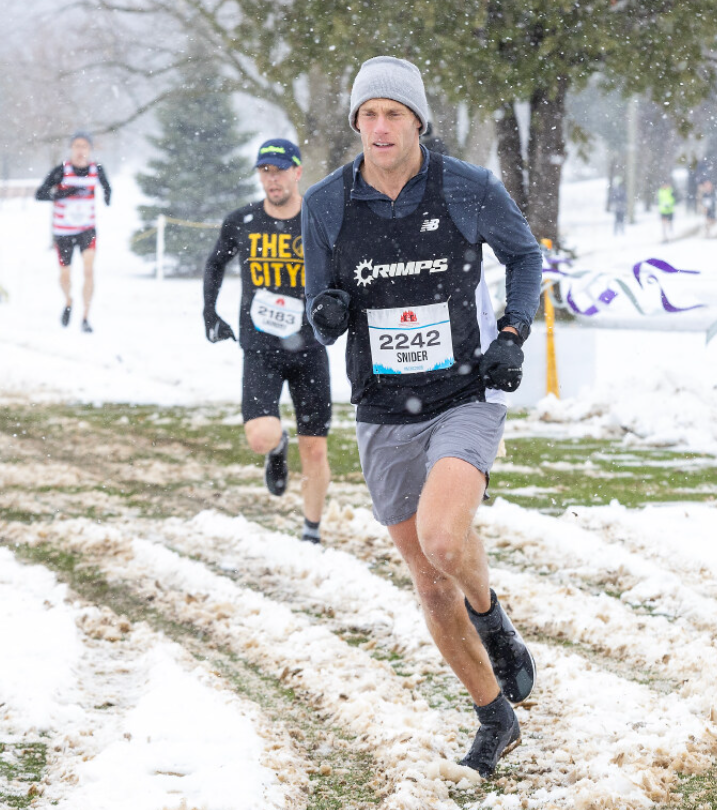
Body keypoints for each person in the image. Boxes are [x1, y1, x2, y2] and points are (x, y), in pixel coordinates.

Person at [302, 56, 542, 779]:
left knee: (443, 535)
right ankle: (493, 712)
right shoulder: (325, 204)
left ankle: (488, 614)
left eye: (392, 114)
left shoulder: (466, 188)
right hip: (381, 406)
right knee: (429, 576)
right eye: (367, 115)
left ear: (416, 122)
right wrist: (328, 312)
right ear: (356, 124)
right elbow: (320, 310)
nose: (379, 127)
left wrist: (511, 332)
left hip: (464, 392)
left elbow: (524, 256)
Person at [203, 139, 332, 545]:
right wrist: (210, 312)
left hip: (310, 348)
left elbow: (343, 273)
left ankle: (311, 531)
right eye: (264, 171)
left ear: (297, 172)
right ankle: (278, 449)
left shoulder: (317, 221)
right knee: (259, 435)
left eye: (279, 171)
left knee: (315, 449)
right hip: (260, 348)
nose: (271, 179)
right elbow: (214, 263)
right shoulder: (242, 220)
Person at [35, 131, 112, 333]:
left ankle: (85, 317)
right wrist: (61, 193)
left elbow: (107, 188)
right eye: (76, 146)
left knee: (88, 270)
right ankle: (69, 301)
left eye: (84, 146)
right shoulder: (61, 170)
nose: (80, 150)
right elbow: (40, 194)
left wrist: (107, 196)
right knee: (65, 275)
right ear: (71, 149)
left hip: (87, 229)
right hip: (63, 232)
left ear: (90, 149)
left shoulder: (97, 170)